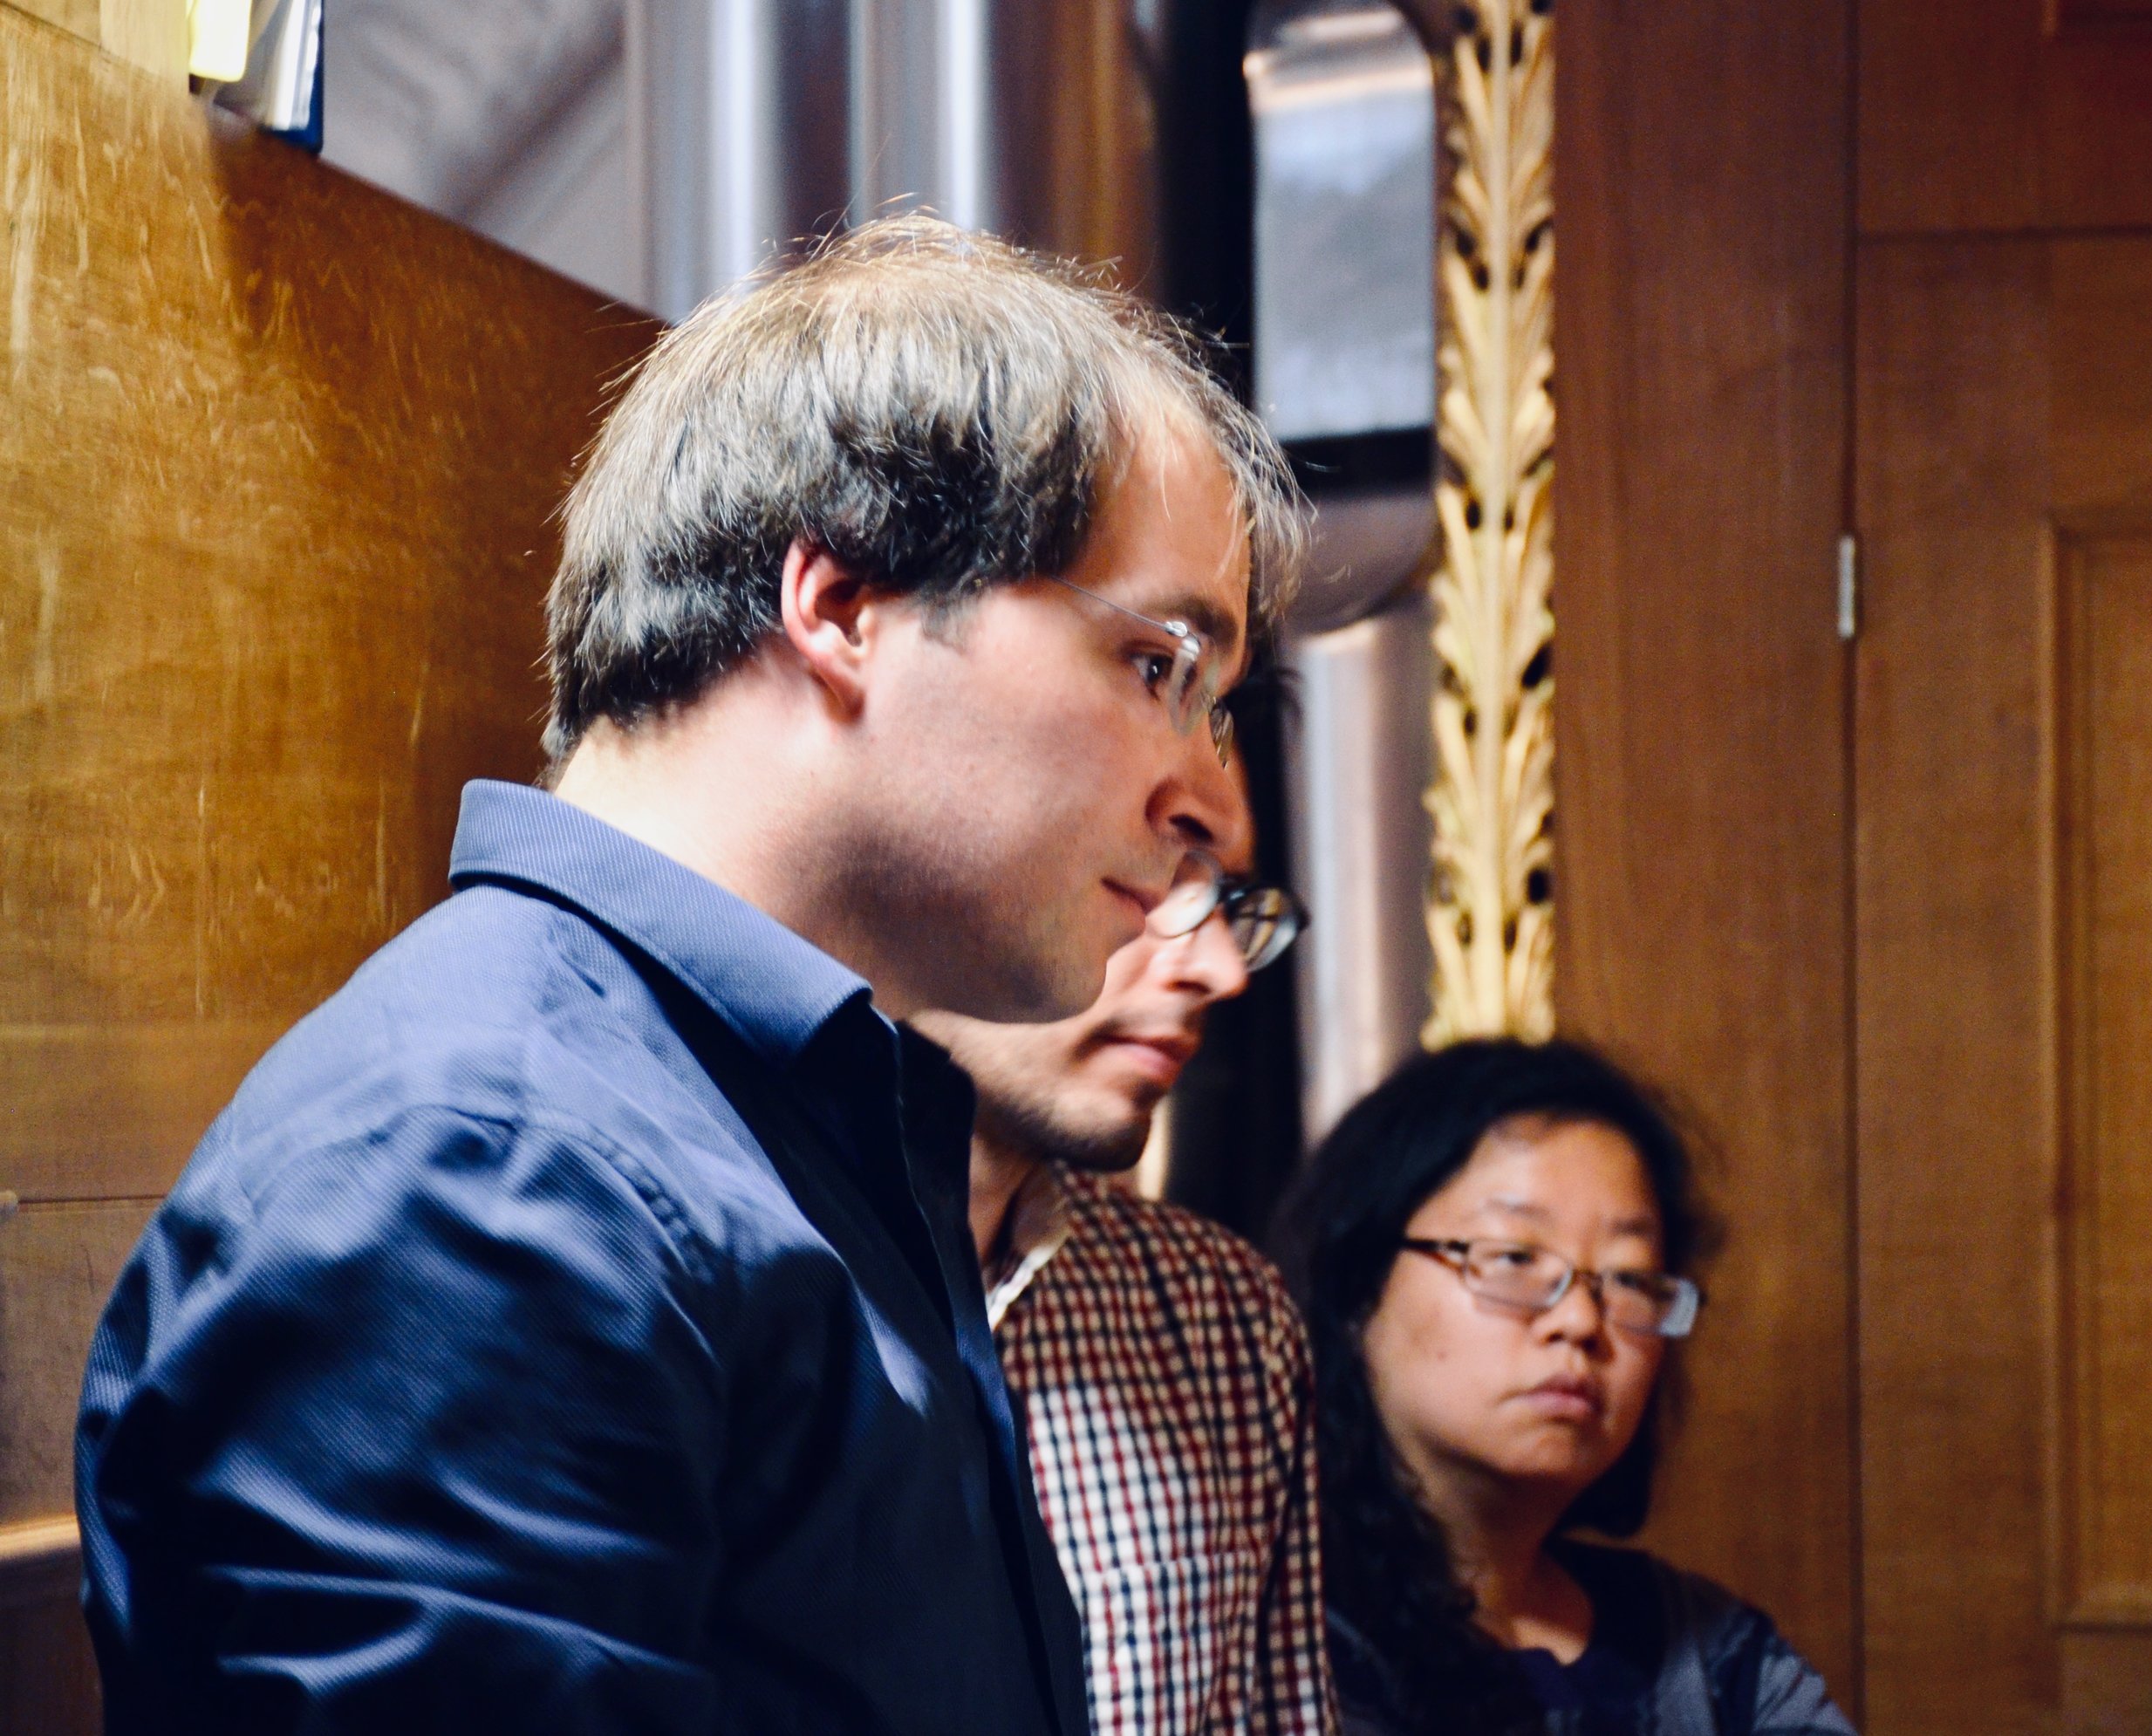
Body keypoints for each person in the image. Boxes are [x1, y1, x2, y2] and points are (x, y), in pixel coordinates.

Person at [74, 217, 1305, 1736]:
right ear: (845, 605)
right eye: (1157, 668)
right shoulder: (484, 1166)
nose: (1214, 804)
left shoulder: (792, 1125)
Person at [916, 762, 1333, 1736]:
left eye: (1223, 899)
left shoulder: (1221, 1316)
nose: (1222, 969)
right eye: (1150, 881)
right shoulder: (702, 1276)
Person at [1277, 1039, 1855, 1736]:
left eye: (1631, 1279)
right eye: (1515, 1257)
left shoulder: (1709, 1657)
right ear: (1357, 1290)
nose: (1582, 1321)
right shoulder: (1264, 1642)